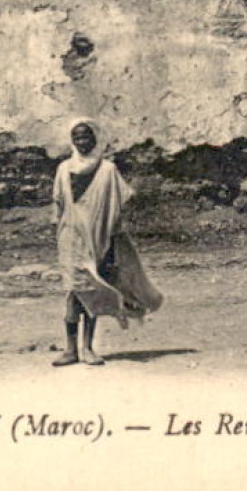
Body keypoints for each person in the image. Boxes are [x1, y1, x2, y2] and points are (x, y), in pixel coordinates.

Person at [51, 117, 163, 367]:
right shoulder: (63, 169)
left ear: (95, 138)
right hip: (70, 240)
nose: (82, 142)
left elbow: (116, 210)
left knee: (93, 291)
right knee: (72, 293)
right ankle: (70, 349)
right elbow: (57, 204)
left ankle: (88, 348)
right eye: (77, 137)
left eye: (86, 136)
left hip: (99, 239)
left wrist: (112, 244)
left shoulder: (107, 170)